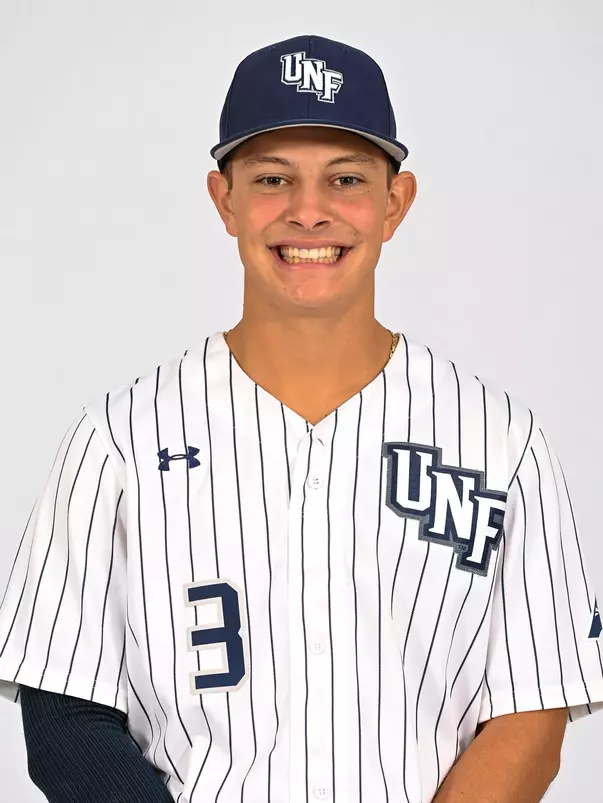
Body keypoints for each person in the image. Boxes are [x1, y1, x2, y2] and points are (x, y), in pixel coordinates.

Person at [0, 33, 602, 803]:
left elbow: (532, 708)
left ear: (395, 202)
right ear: (224, 199)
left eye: (345, 178)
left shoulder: (499, 440)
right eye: (272, 178)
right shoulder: (117, 440)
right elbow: (64, 718)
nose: (308, 212)